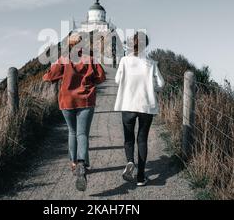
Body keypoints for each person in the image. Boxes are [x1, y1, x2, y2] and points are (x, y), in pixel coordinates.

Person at [43, 32, 106, 191]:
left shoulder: (64, 58)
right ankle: (82, 163)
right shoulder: (90, 58)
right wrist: (89, 82)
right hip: (85, 99)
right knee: (82, 133)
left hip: (67, 100)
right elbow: (101, 77)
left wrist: (49, 74)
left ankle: (73, 163)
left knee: (72, 132)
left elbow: (50, 77)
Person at [114, 31, 165, 186]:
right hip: (146, 106)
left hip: (128, 105)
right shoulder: (151, 63)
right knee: (142, 140)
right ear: (146, 45)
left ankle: (130, 162)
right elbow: (161, 84)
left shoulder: (124, 60)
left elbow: (117, 80)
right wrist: (151, 87)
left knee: (129, 139)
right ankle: (141, 177)